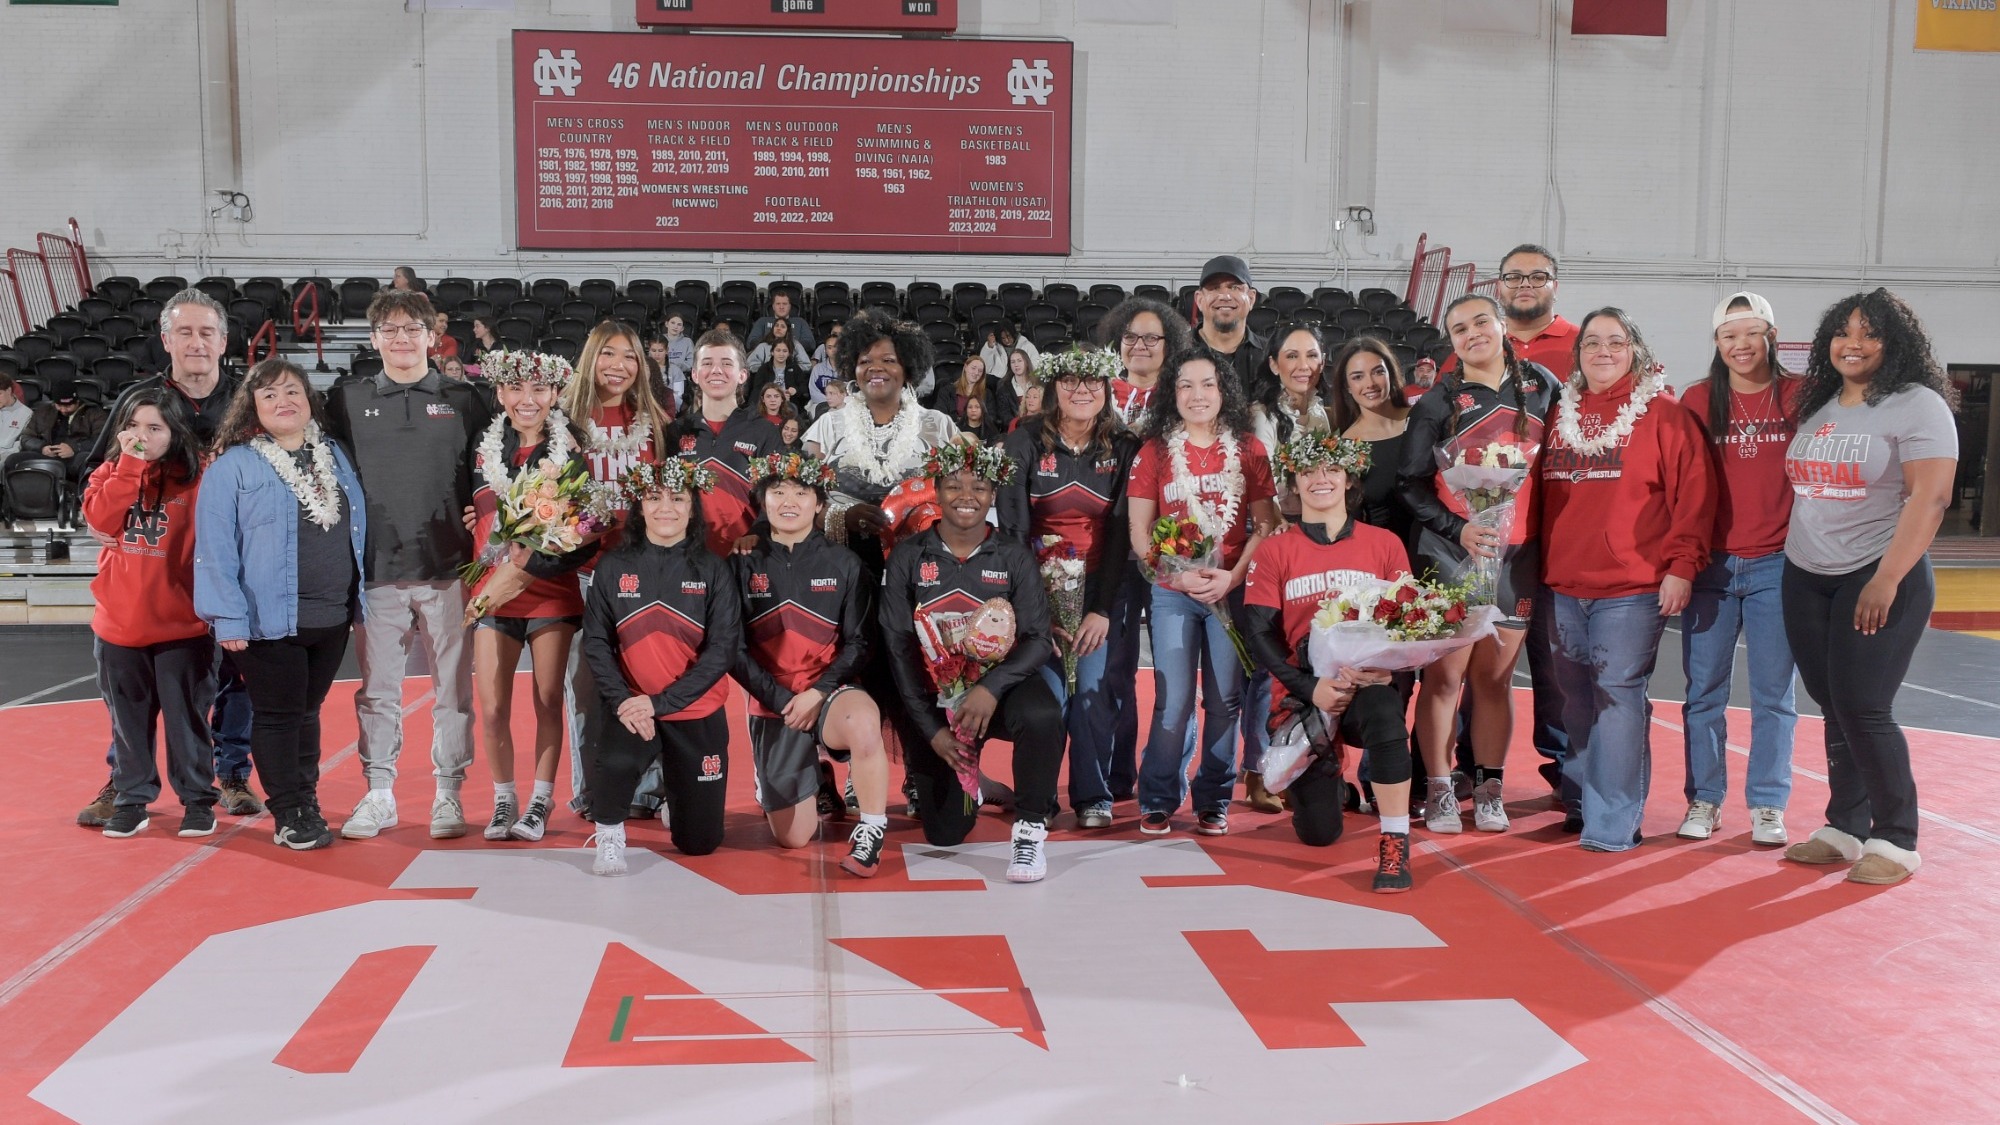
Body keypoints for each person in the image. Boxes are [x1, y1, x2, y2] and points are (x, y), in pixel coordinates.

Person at [1779, 289, 1957, 886]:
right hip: (1806, 574)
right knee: (1832, 704)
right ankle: (1844, 827)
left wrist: (1885, 578)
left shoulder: (1917, 404)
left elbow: (1930, 498)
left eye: (1870, 333)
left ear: (1894, 344)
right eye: (1843, 332)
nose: (1852, 344)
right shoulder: (1821, 403)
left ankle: (1897, 837)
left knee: (1864, 706)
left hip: (1879, 574)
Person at [77, 288, 256, 827]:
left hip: (233, 569)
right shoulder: (139, 401)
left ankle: (231, 774)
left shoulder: (251, 400)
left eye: (206, 332)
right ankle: (123, 779)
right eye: (185, 331)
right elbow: (97, 470)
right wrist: (102, 517)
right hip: (162, 569)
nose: (196, 342)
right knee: (140, 695)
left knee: (234, 681)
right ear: (165, 338)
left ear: (224, 340)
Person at [1539, 309, 1713, 853]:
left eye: (1616, 342)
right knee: (1575, 702)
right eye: (1591, 342)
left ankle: (1610, 824)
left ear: (1635, 350)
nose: (1603, 351)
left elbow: (1696, 497)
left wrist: (1682, 567)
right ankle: (1583, 799)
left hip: (1632, 588)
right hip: (1562, 585)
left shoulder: (1665, 416)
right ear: (1578, 353)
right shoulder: (1556, 416)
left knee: (1617, 696)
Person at [323, 289, 493, 842]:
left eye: (411, 328)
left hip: (448, 569)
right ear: (374, 339)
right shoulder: (345, 400)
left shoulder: (467, 399)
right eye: (389, 330)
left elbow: (488, 476)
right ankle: (379, 793)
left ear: (431, 334)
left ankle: (449, 792)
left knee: (453, 689)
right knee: (378, 691)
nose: (400, 338)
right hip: (376, 572)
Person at [1399, 293, 1555, 835]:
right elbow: (1411, 484)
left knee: (1495, 679)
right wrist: (1459, 529)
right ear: (1451, 340)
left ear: (1502, 325)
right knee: (1444, 679)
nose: (1472, 334)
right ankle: (1441, 788)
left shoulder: (1542, 387)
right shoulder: (1438, 402)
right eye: (1459, 328)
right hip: (1450, 555)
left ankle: (1488, 787)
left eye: (1480, 322)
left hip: (1517, 558)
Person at [195, 360, 367, 850]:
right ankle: (289, 811)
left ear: (309, 398)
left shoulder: (334, 454)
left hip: (331, 616)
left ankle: (304, 798)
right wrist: (226, 615)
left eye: (291, 390)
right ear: (253, 408)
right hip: (266, 620)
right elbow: (214, 546)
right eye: (268, 395)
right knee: (277, 715)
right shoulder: (234, 465)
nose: (282, 401)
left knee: (308, 711)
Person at [880, 437, 1063, 882]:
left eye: (979, 487)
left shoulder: (1014, 555)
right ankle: (976, 782)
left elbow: (1039, 639)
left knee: (1043, 714)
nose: (967, 496)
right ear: (936, 491)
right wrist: (932, 731)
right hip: (938, 706)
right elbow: (899, 650)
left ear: (993, 494)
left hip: (994, 697)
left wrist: (990, 688)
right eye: (954, 486)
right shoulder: (908, 557)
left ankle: (1030, 830)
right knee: (945, 832)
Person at [1242, 432, 1413, 891]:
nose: (1321, 479)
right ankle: (1334, 782)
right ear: (1294, 483)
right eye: (1309, 471)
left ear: (1349, 477)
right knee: (1319, 834)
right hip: (1304, 700)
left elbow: (1414, 625)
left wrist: (1391, 669)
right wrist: (1307, 687)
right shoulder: (1276, 550)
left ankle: (1395, 844)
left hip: (1363, 690)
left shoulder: (1385, 545)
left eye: (1332, 469)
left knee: (1384, 709)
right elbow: (1258, 635)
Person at [1128, 347, 1278, 837]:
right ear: (1173, 394)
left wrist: (1232, 578)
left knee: (1225, 700)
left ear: (1224, 391)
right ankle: (1157, 795)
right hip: (1175, 591)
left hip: (1231, 591)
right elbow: (1139, 533)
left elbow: (1266, 524)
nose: (1197, 395)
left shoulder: (1250, 448)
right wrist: (1177, 576)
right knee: (1173, 700)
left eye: (1207, 384)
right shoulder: (1154, 451)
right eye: (1186, 385)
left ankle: (1214, 797)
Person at [1676, 292, 1802, 845]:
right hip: (1713, 568)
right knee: (1704, 691)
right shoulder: (1698, 400)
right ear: (1717, 344)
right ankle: (1704, 799)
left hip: (1779, 564)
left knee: (1775, 694)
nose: (1741, 345)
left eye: (1751, 333)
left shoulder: (1799, 395)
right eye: (1729, 336)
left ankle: (1769, 804)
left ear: (1770, 336)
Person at [996, 346, 1138, 829]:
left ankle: (1092, 793)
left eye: (1092, 383)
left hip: (1101, 589)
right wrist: (1038, 612)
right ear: (1054, 388)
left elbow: (1121, 535)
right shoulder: (1024, 441)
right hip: (1037, 592)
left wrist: (1100, 609)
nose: (1082, 391)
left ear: (1106, 390)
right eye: (1071, 382)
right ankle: (1038, 795)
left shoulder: (1122, 446)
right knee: (1050, 696)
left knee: (1093, 694)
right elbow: (1013, 533)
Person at [579, 458, 741, 874]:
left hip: (695, 711)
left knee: (700, 844)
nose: (665, 508)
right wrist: (623, 701)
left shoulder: (713, 569)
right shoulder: (614, 566)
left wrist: (661, 703)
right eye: (654, 498)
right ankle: (610, 834)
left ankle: (680, 796)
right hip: (632, 707)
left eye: (677, 498)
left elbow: (722, 651)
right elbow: (596, 642)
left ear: (692, 508)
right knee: (613, 764)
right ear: (640, 507)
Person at [733, 452, 892, 875]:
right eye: (778, 491)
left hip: (829, 692)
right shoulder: (740, 562)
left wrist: (819, 692)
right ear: (762, 500)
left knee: (862, 720)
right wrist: (784, 699)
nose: (789, 501)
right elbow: (731, 648)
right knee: (793, 837)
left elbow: (861, 643)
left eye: (802, 492)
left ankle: (872, 828)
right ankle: (814, 775)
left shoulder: (845, 563)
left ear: (820, 503)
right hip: (774, 703)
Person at [465, 351, 600, 843]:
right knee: (494, 707)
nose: (528, 400)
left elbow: (582, 528)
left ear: (554, 396)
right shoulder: (479, 449)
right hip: (493, 594)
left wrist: (530, 565)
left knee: (548, 700)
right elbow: (473, 510)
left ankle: (541, 800)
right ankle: (504, 800)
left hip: (549, 593)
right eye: (518, 389)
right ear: (500, 393)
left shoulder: (571, 451)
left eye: (539, 390)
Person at [85, 389, 216, 840]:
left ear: (175, 432)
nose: (141, 437)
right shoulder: (110, 471)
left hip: (183, 626)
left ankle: (198, 800)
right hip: (119, 625)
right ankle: (132, 799)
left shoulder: (200, 480)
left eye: (154, 428)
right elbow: (102, 521)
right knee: (128, 723)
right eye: (134, 427)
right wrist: (130, 467)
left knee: (187, 720)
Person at [559, 320, 670, 821]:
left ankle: (647, 788)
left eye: (629, 356)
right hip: (582, 573)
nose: (619, 366)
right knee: (586, 686)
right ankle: (590, 791)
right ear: (591, 359)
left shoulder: (654, 419)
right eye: (608, 354)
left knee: (646, 679)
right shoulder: (564, 418)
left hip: (642, 572)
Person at [801, 310, 959, 571]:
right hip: (841, 562)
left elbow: (959, 493)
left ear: (907, 369)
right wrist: (841, 517)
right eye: (865, 361)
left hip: (921, 564)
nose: (875, 367)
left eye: (888, 360)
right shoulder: (826, 426)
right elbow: (802, 496)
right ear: (853, 367)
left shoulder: (938, 425)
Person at [672, 327, 785, 558]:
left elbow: (779, 493)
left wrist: (759, 532)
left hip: (747, 557)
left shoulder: (764, 431)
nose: (716, 370)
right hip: (689, 558)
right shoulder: (675, 432)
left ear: (742, 375)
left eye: (726, 363)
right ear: (694, 374)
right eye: (706, 363)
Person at [1330, 337, 1417, 550]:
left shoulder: (1421, 419)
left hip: (1443, 548)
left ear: (1391, 374)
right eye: (1358, 377)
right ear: (1347, 387)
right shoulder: (1344, 447)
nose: (1370, 383)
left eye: (1378, 372)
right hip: (1388, 558)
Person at [1249, 321, 1332, 523]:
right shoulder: (1263, 416)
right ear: (1274, 365)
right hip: (1275, 523)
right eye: (1292, 356)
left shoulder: (1318, 411)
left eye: (1312, 356)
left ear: (1322, 362)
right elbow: (1260, 487)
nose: (1304, 366)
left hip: (1314, 518)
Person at [1102, 297, 1195, 431]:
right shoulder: (1100, 393)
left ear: (1169, 345)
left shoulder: (1182, 397)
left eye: (1151, 338)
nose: (1139, 346)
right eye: (1130, 337)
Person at [1192, 255, 1266, 389]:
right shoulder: (1175, 352)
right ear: (1199, 300)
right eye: (1214, 288)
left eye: (1234, 288)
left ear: (1251, 298)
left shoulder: (1270, 354)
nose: (1225, 296)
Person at [18, 381, 106, 483]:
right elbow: (26, 437)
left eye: (68, 406)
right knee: (14, 460)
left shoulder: (94, 413)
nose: (63, 410)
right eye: (59, 405)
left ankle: (82, 496)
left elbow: (101, 440)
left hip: (75, 456)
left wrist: (74, 448)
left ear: (77, 401)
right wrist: (42, 447)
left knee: (85, 460)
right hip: (48, 455)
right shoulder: (43, 412)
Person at [747, 290, 815, 355]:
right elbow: (751, 341)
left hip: (794, 357)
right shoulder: (762, 321)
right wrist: (773, 346)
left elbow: (810, 343)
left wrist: (787, 346)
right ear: (773, 307)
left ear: (789, 306)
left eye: (784, 304)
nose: (781, 307)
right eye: (778, 304)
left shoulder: (800, 322)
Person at [808, 321, 843, 411]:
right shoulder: (817, 369)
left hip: (843, 405)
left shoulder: (848, 369)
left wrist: (838, 403)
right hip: (820, 404)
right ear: (825, 350)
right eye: (829, 347)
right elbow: (814, 391)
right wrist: (830, 401)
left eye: (836, 347)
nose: (833, 350)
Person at [660, 315, 694, 402]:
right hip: (661, 375)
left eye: (679, 325)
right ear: (667, 324)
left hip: (680, 376)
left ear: (682, 328)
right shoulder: (659, 340)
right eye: (673, 323)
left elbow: (691, 364)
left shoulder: (687, 342)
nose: (675, 326)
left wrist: (676, 365)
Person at [0, 375, 32, 461]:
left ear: (9, 390)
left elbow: (20, 445)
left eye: (0, 394)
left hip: (7, 458)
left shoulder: (26, 414)